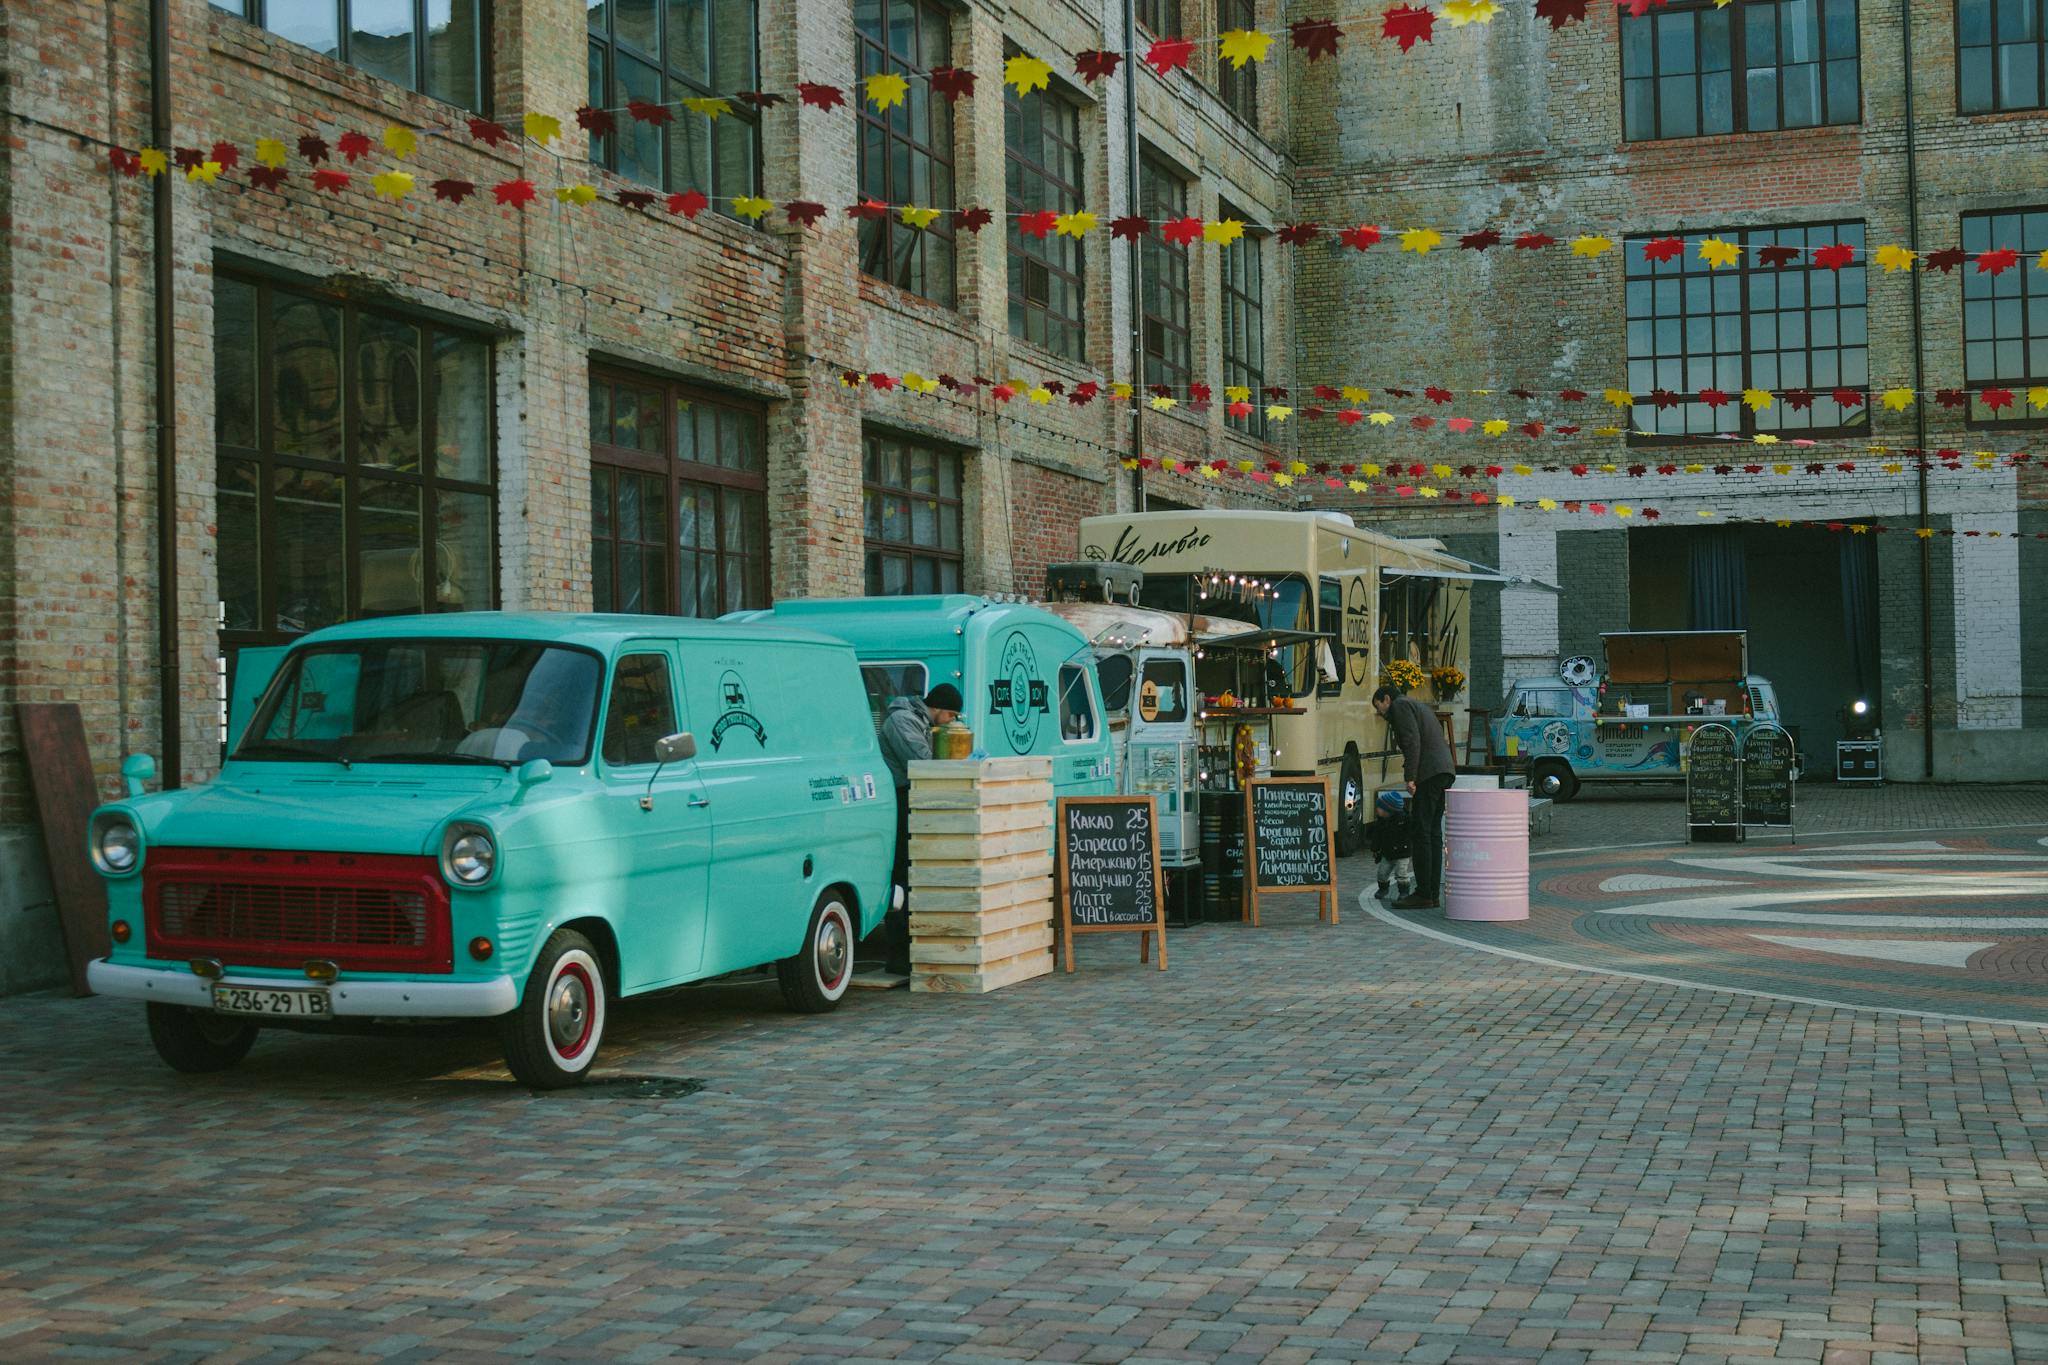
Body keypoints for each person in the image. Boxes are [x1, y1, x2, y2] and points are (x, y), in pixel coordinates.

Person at [876, 683, 963, 973]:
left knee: (913, 871)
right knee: (901, 871)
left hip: (910, 798)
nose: (951, 721)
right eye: (950, 714)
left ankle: (912, 951)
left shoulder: (920, 722)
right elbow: (921, 762)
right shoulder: (903, 721)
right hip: (899, 799)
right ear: (936, 707)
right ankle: (899, 956)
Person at [1372, 684, 1456, 910]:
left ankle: (1423, 894)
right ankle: (1432, 893)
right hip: (1444, 770)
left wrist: (1410, 776)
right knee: (1433, 832)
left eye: (1379, 708)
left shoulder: (1400, 707)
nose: (1381, 714)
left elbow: (1411, 741)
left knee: (1421, 832)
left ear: (1386, 699)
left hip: (1429, 773)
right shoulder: (1417, 705)